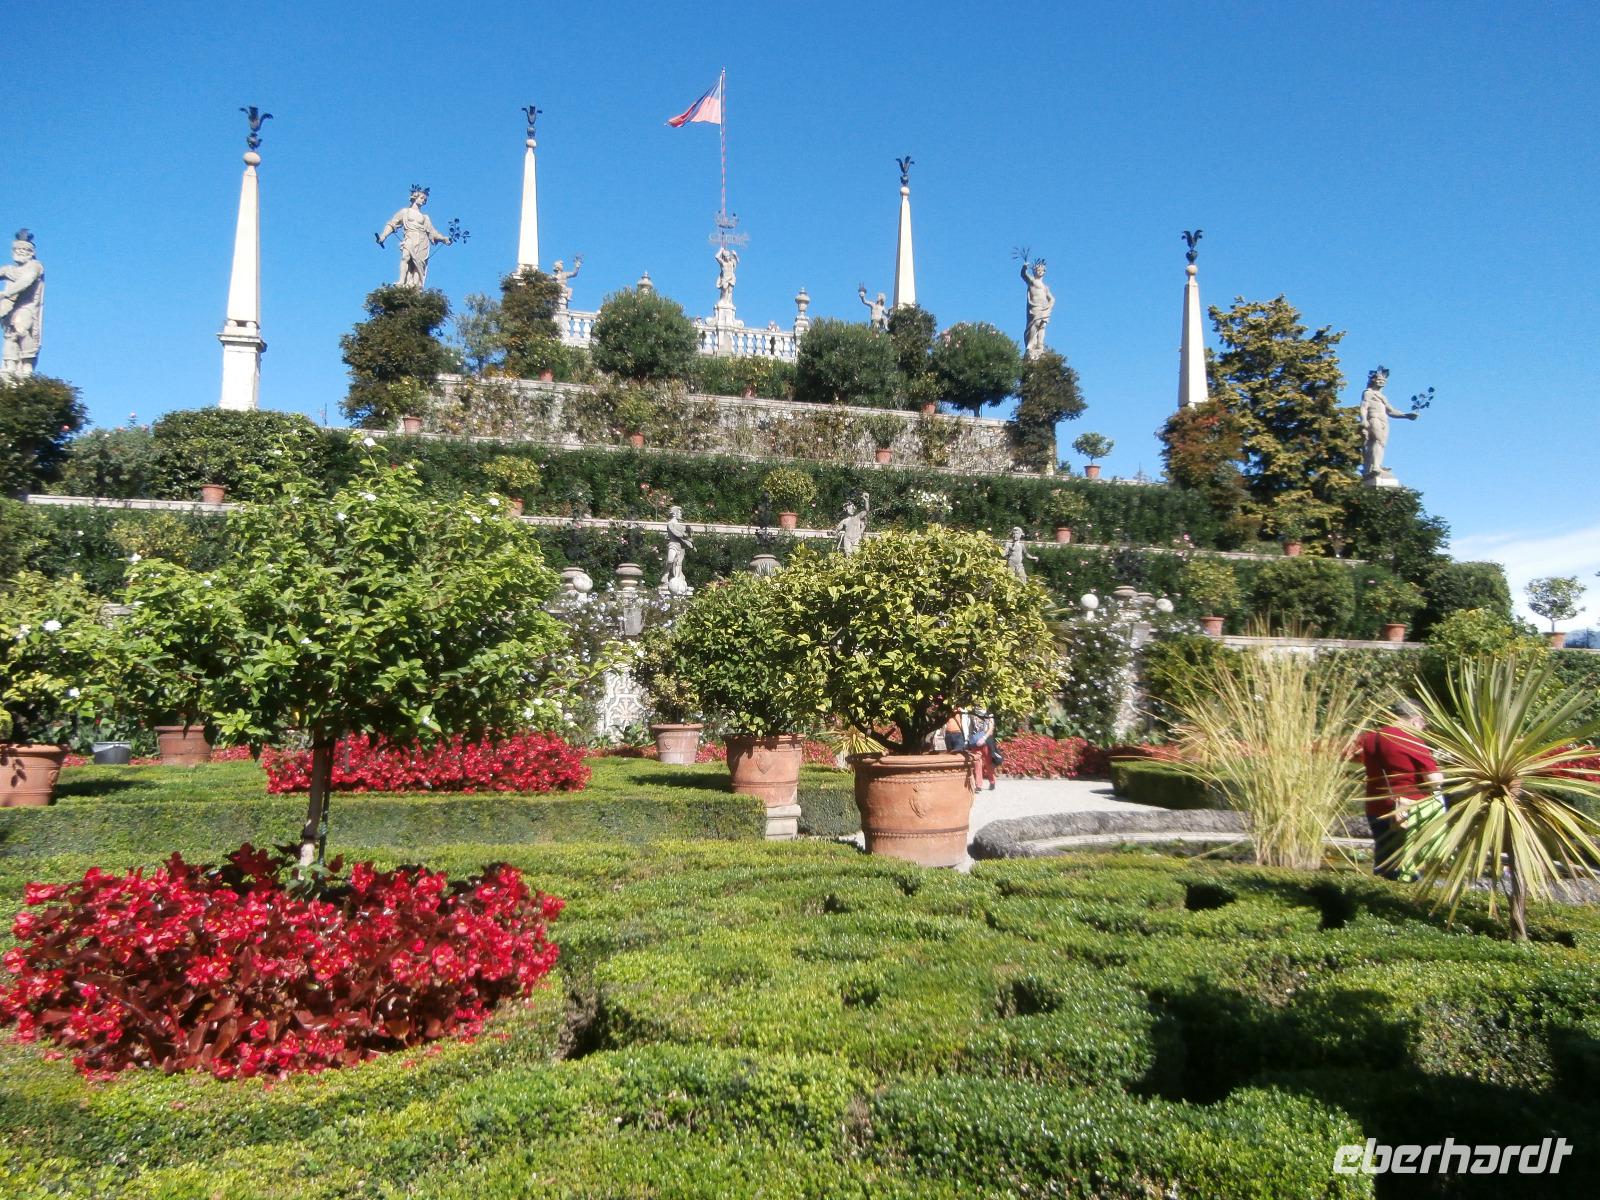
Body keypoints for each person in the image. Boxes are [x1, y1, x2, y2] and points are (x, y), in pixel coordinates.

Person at [1356, 698, 1443, 880]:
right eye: (1423, 725)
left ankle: (1378, 895)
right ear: (1416, 719)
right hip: (1407, 809)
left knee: (1383, 860)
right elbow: (1434, 781)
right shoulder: (1411, 740)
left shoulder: (1370, 738)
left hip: (1375, 807)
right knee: (1407, 865)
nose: (1422, 730)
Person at [376, 188, 450, 288]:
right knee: (405, 257)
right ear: (415, 197)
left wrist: (443, 238)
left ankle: (414, 285)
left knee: (418, 264)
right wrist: (383, 236)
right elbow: (392, 224)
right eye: (422, 198)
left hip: (422, 241)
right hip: (410, 237)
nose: (424, 200)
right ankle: (402, 281)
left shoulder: (425, 217)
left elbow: (433, 232)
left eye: (425, 199)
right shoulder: (405, 212)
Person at [0, 229, 45, 379]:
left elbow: (26, 281)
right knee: (10, 334)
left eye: (24, 250)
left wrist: (6, 293)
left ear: (30, 252)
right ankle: (10, 365)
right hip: (10, 307)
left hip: (27, 306)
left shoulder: (35, 266)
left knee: (22, 329)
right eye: (17, 249)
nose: (20, 252)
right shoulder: (9, 269)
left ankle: (26, 365)